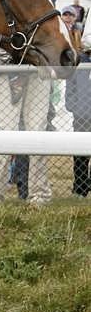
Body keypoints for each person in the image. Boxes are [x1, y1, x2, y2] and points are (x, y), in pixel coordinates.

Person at [0, 0, 58, 206]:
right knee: (9, 132)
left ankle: (24, 194)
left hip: (34, 70)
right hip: (11, 71)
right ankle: (1, 194)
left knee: (30, 131)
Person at [65, 31, 91, 197]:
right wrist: (75, 108)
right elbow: (70, 90)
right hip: (81, 116)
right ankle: (80, 187)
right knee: (80, 155)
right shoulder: (79, 64)